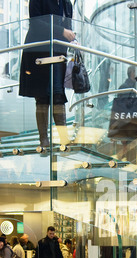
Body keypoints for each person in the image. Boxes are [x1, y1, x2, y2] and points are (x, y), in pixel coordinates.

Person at [19, 0, 75, 148]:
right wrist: (62, 31)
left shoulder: (67, 4)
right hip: (39, 52)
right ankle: (44, 139)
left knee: (58, 94)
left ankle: (64, 139)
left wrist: (73, 40)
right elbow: (36, 24)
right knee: (42, 96)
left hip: (58, 53)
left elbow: (68, 28)